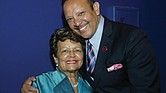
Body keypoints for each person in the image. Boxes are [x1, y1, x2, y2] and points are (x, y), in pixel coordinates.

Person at [21, 0, 160, 93]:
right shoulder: (77, 42)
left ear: (96, 8)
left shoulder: (133, 38)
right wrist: (33, 85)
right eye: (69, 18)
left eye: (81, 13)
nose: (77, 22)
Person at [21, 28, 93, 93]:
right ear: (55, 58)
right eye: (65, 51)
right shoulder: (41, 84)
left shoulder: (87, 85)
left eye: (77, 50)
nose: (72, 55)